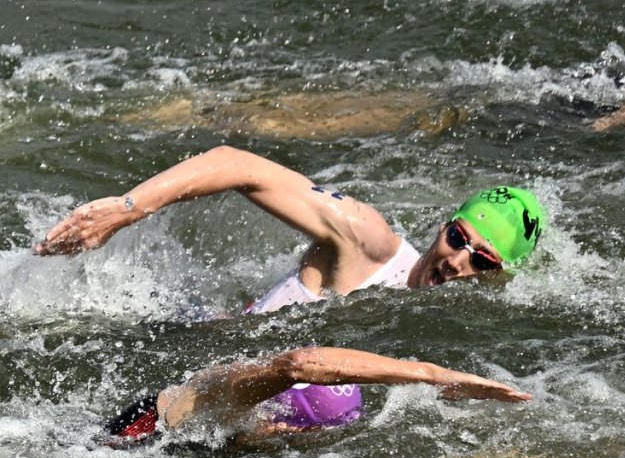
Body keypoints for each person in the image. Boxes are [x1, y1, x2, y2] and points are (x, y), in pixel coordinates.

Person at [34, 145, 546, 437]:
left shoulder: (460, 333)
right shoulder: (367, 242)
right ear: (445, 223)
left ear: (498, 277)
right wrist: (127, 209)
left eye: (482, 259)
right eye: (458, 237)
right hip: (187, 376)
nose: (458, 259)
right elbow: (239, 165)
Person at [104, 345, 531, 445]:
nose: (284, 432)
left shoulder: (253, 434)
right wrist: (430, 374)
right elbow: (298, 365)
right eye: (290, 426)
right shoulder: (228, 398)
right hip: (134, 438)